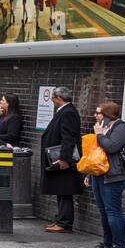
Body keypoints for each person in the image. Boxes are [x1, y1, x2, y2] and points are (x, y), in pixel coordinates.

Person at [85, 100, 125, 248]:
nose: (95, 115)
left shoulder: (121, 127)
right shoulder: (104, 127)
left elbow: (112, 147)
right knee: (102, 210)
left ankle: (119, 246)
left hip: (113, 175)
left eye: (98, 113)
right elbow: (96, 153)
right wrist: (89, 173)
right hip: (99, 173)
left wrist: (99, 135)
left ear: (108, 114)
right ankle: (107, 242)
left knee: (113, 210)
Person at [40, 86, 83, 232]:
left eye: (53, 98)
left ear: (59, 98)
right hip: (60, 158)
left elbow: (68, 137)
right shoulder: (65, 111)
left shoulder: (68, 113)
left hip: (64, 160)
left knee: (65, 190)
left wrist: (65, 159)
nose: (52, 101)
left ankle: (65, 222)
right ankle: (60, 219)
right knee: (60, 189)